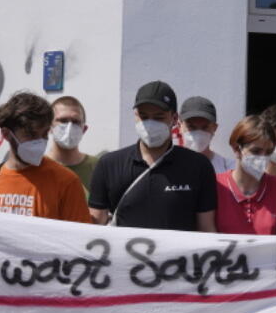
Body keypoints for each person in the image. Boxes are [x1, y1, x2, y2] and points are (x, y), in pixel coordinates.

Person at [88, 80, 217, 231]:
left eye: (158, 117)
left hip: (177, 255)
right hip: (125, 254)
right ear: (135, 116)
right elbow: (95, 227)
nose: (149, 124)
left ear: (174, 119)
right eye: (143, 117)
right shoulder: (108, 164)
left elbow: (206, 229)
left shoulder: (198, 166)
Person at [0, 92, 91, 223]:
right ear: (7, 134)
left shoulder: (66, 181)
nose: (39, 141)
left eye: (44, 134)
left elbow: (78, 238)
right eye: (30, 134)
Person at [214, 115, 276, 235]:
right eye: (256, 151)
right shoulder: (215, 185)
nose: (263, 157)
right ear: (236, 149)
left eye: (268, 152)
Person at [44, 95, 100, 196]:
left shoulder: (99, 168)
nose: (69, 126)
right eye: (63, 120)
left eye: (75, 121)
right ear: (49, 127)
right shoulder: (37, 167)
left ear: (84, 129)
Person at [179, 96, 234, 174]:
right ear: (179, 126)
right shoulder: (167, 168)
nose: (198, 133)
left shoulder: (229, 168)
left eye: (205, 127)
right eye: (191, 127)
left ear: (214, 128)